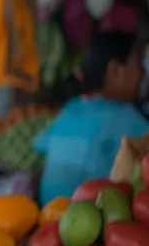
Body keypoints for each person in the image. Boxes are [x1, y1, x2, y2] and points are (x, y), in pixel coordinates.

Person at [33, 32, 149, 206]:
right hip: (89, 222)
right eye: (138, 64)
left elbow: (39, 144)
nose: (142, 74)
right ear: (115, 70)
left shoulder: (71, 107)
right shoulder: (127, 119)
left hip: (49, 214)